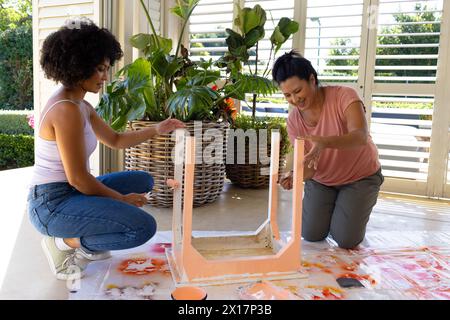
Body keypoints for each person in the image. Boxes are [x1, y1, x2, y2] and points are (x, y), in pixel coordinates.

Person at [27, 18, 185, 280]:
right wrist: (122, 200)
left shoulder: (82, 105)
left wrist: (158, 129)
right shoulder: (66, 109)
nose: (105, 76)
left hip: (69, 193)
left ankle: (89, 237)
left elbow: (115, 140)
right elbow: (79, 179)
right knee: (141, 228)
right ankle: (62, 244)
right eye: (100, 69)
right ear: (79, 67)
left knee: (143, 180)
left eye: (107, 68)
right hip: (51, 204)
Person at [272, 51, 384, 249]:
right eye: (287, 95)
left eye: (298, 91)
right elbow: (310, 168)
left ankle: (350, 209)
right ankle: (338, 209)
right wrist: (295, 175)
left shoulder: (344, 96)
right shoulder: (294, 122)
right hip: (323, 181)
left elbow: (360, 137)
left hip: (360, 177)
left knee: (346, 240)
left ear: (312, 80)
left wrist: (324, 142)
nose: (294, 100)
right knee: (311, 234)